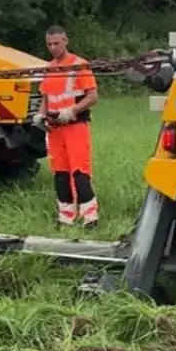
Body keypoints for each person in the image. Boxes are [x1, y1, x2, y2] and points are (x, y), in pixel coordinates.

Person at [38, 24, 99, 227]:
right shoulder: (48, 69)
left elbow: (92, 97)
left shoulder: (79, 65)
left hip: (75, 126)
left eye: (57, 43)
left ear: (65, 41)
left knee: (80, 172)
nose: (53, 47)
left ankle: (90, 217)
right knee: (60, 174)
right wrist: (40, 115)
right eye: (49, 44)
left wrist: (72, 111)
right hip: (54, 129)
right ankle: (66, 218)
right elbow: (45, 97)